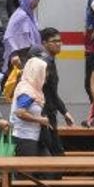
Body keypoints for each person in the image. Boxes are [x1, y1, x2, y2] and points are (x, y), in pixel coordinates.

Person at [38, 28, 75, 156]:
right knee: (55, 151)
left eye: (60, 41)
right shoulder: (46, 63)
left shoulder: (48, 61)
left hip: (48, 112)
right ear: (44, 43)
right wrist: (64, 111)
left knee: (54, 150)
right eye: (54, 41)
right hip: (44, 113)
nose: (58, 44)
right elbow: (49, 92)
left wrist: (64, 112)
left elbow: (51, 91)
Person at [11, 56, 51, 157]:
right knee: (27, 172)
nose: (46, 75)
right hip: (25, 138)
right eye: (43, 71)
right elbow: (20, 113)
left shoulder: (34, 90)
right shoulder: (26, 91)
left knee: (49, 169)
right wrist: (40, 120)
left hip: (34, 137)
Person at [3, 0, 42, 68]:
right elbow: (9, 36)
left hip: (29, 56)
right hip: (21, 57)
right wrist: (14, 53)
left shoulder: (31, 15)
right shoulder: (21, 15)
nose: (37, 2)